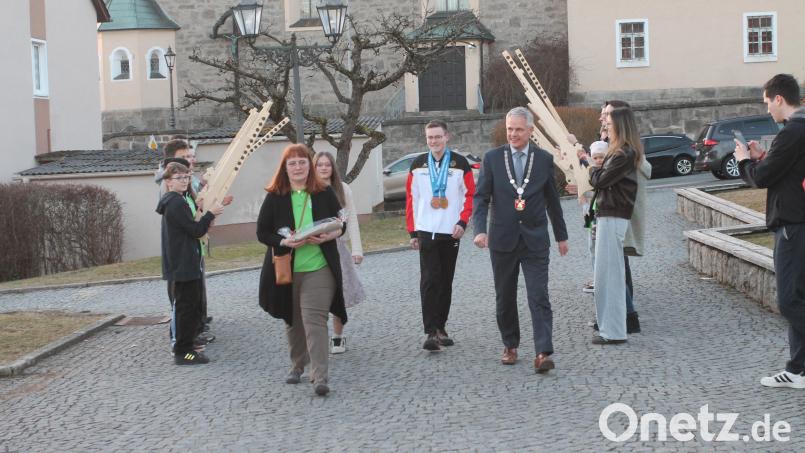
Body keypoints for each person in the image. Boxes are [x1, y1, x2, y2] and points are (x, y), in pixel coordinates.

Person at [473, 107, 568, 373]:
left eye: (518, 129)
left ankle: (543, 352)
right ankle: (510, 344)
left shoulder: (543, 159)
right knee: (505, 296)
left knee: (539, 295)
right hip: (502, 239)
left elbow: (552, 199)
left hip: (536, 239)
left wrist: (561, 235)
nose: (513, 134)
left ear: (530, 131)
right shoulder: (492, 158)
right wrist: (480, 230)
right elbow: (481, 198)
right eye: (509, 129)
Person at [257, 144, 346, 396]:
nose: (298, 167)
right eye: (292, 163)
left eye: (302, 162)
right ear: (285, 168)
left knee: (314, 319)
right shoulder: (276, 196)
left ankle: (319, 376)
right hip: (287, 269)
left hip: (319, 266)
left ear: (310, 165)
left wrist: (328, 236)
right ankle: (297, 364)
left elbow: (341, 223)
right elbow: (262, 232)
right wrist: (284, 241)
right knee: (292, 318)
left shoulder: (324, 192)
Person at [734, 73, 805, 388]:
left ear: (779, 98)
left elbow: (761, 178)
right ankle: (797, 368)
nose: (767, 111)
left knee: (790, 300)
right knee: (799, 296)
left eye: (767, 103)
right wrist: (763, 158)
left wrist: (743, 162)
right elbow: (782, 170)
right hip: (796, 221)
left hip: (792, 224)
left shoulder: (793, 132)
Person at [406, 120, 475, 351]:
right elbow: (411, 199)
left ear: (447, 137)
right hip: (426, 231)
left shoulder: (460, 163)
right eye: (430, 137)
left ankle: (441, 326)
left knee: (445, 281)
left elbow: (470, 196)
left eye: (437, 136)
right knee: (429, 280)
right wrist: (412, 231)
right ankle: (430, 332)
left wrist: (463, 222)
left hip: (451, 231)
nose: (433, 141)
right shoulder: (417, 165)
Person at [156, 162, 224, 365]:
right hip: (183, 264)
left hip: (186, 262)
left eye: (186, 177)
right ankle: (183, 353)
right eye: (179, 178)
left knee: (190, 307)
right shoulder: (175, 203)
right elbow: (195, 230)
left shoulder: (177, 200)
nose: (184, 181)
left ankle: (189, 348)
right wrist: (211, 213)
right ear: (168, 182)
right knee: (185, 309)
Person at [589, 107, 643, 345]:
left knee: (610, 276)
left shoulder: (623, 153)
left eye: (609, 124)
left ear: (619, 125)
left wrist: (591, 167)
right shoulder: (620, 152)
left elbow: (600, 180)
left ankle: (614, 331)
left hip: (613, 215)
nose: (605, 127)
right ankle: (611, 328)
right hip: (609, 214)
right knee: (607, 275)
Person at [313, 151, 366, 354]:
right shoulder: (309, 189)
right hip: (314, 246)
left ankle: (337, 336)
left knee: (339, 293)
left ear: (332, 167)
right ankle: (317, 336)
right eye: (320, 165)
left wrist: (357, 250)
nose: (324, 168)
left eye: (327, 165)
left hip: (337, 246)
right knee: (317, 294)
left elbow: (350, 220)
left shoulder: (343, 189)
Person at [581, 141, 608, 293]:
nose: (598, 160)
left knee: (600, 244)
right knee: (591, 244)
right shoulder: (588, 171)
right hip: (590, 213)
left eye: (601, 157)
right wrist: (584, 207)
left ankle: (602, 277)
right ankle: (596, 275)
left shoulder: (606, 173)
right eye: (595, 157)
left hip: (603, 213)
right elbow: (581, 193)